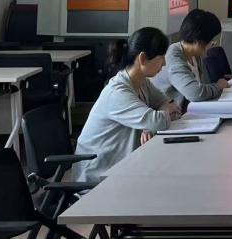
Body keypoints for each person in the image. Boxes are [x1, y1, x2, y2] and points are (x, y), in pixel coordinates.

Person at [72, 27, 182, 182]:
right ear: (143, 58)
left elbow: (171, 105)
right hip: (97, 179)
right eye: (161, 57)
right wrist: (152, 121)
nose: (164, 63)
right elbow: (158, 121)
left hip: (123, 169)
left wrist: (150, 122)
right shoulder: (117, 92)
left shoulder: (142, 83)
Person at [154, 9, 230, 105]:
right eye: (211, 41)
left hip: (190, 107)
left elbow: (201, 87)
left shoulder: (194, 54)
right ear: (198, 42)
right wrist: (218, 87)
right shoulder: (173, 57)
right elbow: (195, 94)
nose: (213, 45)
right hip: (173, 110)